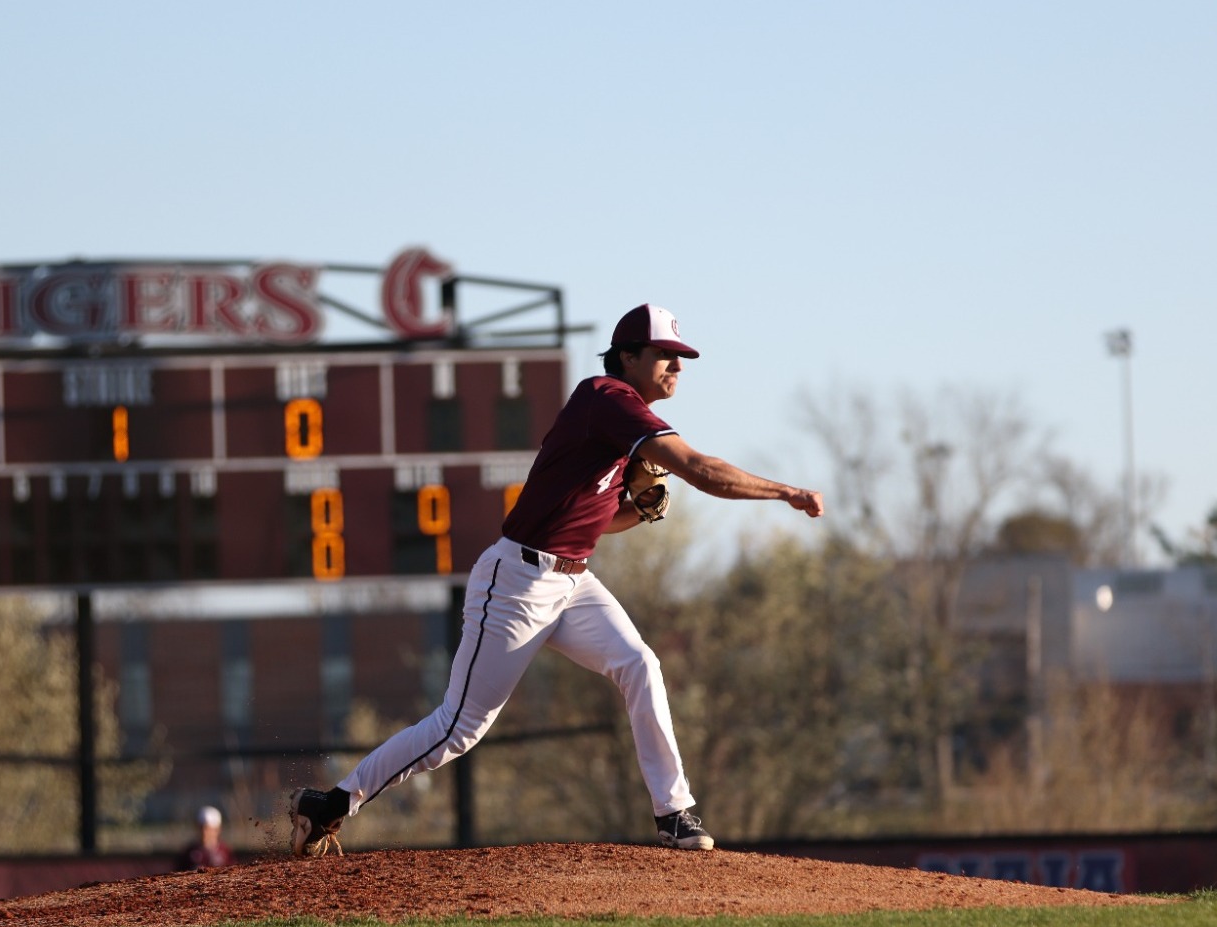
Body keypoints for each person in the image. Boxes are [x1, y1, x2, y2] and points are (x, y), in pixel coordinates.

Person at [289, 303, 824, 856]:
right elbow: (698, 469)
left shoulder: (619, 422)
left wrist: (637, 512)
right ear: (628, 357)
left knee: (640, 664)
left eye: (680, 358)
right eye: (665, 356)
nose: (677, 367)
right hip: (516, 580)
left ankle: (673, 812)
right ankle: (331, 804)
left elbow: (591, 524)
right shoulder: (608, 398)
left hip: (572, 581)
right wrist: (786, 492)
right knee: (458, 728)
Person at [181, 805, 234, 869]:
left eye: (208, 828)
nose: (204, 832)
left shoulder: (225, 852)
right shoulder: (189, 853)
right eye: (201, 828)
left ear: (217, 829)